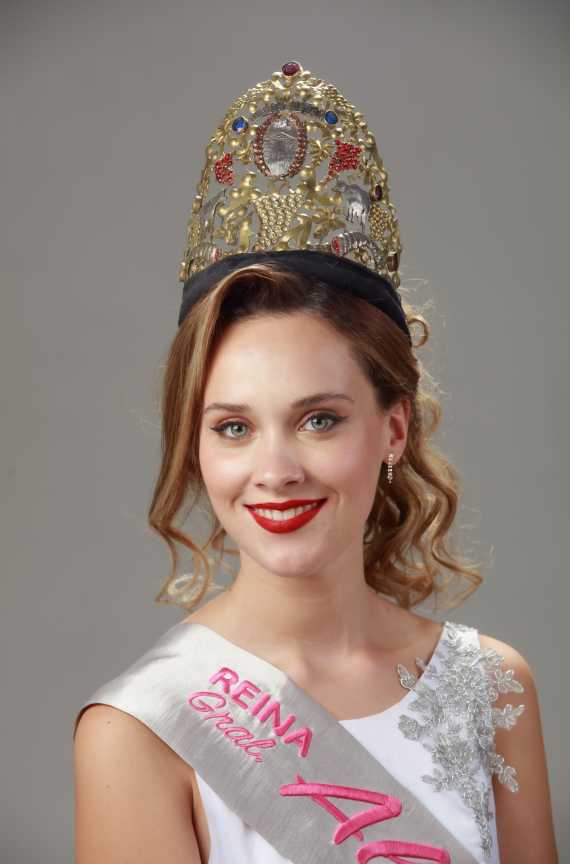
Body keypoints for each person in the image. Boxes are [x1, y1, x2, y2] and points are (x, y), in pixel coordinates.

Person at [73, 61, 558, 864]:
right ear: (195, 443)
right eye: (234, 427)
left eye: (319, 420)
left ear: (395, 428)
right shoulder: (141, 730)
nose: (276, 469)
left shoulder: (493, 691)